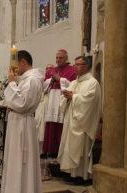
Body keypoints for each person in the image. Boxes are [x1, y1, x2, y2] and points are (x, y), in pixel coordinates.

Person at [1, 50, 43, 193]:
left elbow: (21, 104)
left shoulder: (32, 80)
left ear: (23, 62)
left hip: (22, 124)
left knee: (20, 161)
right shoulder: (28, 79)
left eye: (14, 65)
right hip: (19, 122)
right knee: (16, 161)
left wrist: (12, 84)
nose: (12, 69)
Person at [57, 56, 101, 185]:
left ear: (86, 67)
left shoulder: (93, 83)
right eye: (75, 64)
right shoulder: (74, 82)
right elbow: (65, 98)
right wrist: (66, 97)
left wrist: (73, 97)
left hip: (83, 122)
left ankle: (83, 176)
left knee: (81, 149)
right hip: (72, 120)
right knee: (70, 148)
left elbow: (90, 101)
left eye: (78, 65)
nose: (74, 67)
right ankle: (72, 173)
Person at [42, 49, 77, 158]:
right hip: (52, 99)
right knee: (51, 124)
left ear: (66, 58)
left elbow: (73, 84)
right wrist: (51, 81)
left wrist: (60, 79)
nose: (58, 60)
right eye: (56, 58)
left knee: (61, 124)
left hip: (62, 99)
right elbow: (44, 85)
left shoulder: (72, 70)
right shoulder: (51, 71)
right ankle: (51, 150)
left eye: (60, 58)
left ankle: (60, 151)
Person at [35, 64, 54, 154]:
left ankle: (48, 149)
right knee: (39, 125)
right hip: (41, 104)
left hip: (50, 105)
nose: (48, 70)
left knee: (47, 126)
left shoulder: (56, 80)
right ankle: (39, 150)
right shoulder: (42, 80)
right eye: (47, 68)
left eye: (51, 68)